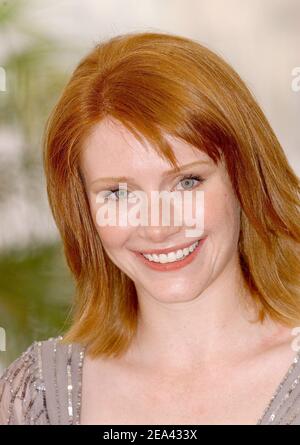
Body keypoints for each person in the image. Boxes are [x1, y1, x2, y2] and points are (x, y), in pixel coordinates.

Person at [0, 31, 299, 425]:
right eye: (119, 193)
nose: (158, 228)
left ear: (245, 177)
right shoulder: (33, 396)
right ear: (83, 210)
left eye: (187, 182)